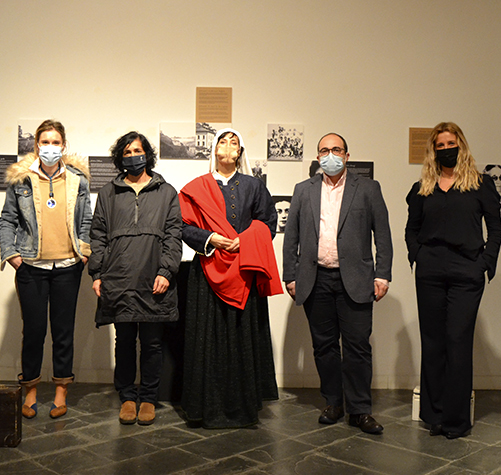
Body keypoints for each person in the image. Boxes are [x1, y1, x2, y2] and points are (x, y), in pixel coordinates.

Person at [282, 132, 392, 434]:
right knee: (324, 346)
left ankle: (360, 410)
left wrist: (382, 274)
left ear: (346, 155)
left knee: (357, 347)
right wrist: (290, 275)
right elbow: (291, 237)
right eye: (324, 150)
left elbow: (382, 234)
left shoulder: (368, 188)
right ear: (318, 157)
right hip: (315, 279)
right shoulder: (303, 190)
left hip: (355, 280)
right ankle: (333, 402)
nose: (330, 155)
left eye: (336, 150)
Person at [179, 128, 282, 428]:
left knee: (242, 337)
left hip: (244, 270)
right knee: (207, 339)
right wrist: (210, 238)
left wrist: (244, 241)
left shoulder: (254, 186)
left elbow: (268, 223)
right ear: (214, 149)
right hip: (207, 271)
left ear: (240, 151)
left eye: (233, 142)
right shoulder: (196, 188)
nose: (227, 146)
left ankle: (243, 408)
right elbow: (182, 226)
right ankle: (205, 407)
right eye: (222, 141)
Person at [405, 122, 501, 439]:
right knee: (433, 342)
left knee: (458, 342)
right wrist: (418, 255)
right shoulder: (424, 187)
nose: (446, 149)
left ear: (461, 145)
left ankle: (456, 420)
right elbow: (411, 229)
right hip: (430, 271)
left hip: (466, 270)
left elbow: (495, 228)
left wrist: (484, 263)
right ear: (433, 151)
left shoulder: (481, 184)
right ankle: (434, 415)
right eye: (440, 145)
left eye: (451, 143)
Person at [0, 120, 92, 419]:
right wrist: (12, 254)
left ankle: (61, 390)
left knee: (63, 332)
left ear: (63, 145)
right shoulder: (21, 179)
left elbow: (86, 220)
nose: (50, 147)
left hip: (67, 267)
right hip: (31, 267)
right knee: (34, 331)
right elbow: (7, 220)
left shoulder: (78, 179)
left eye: (55, 142)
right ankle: (31, 390)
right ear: (36, 145)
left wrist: (84, 252)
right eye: (45, 142)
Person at [89, 131, 182, 426]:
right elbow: (98, 236)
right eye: (127, 152)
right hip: (118, 278)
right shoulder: (108, 193)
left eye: (137, 151)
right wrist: (97, 273)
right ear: (120, 158)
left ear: (147, 154)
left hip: (154, 278)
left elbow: (174, 236)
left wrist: (166, 271)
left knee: (152, 343)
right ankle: (128, 397)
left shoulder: (166, 192)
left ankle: (149, 398)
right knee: (125, 342)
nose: (133, 156)